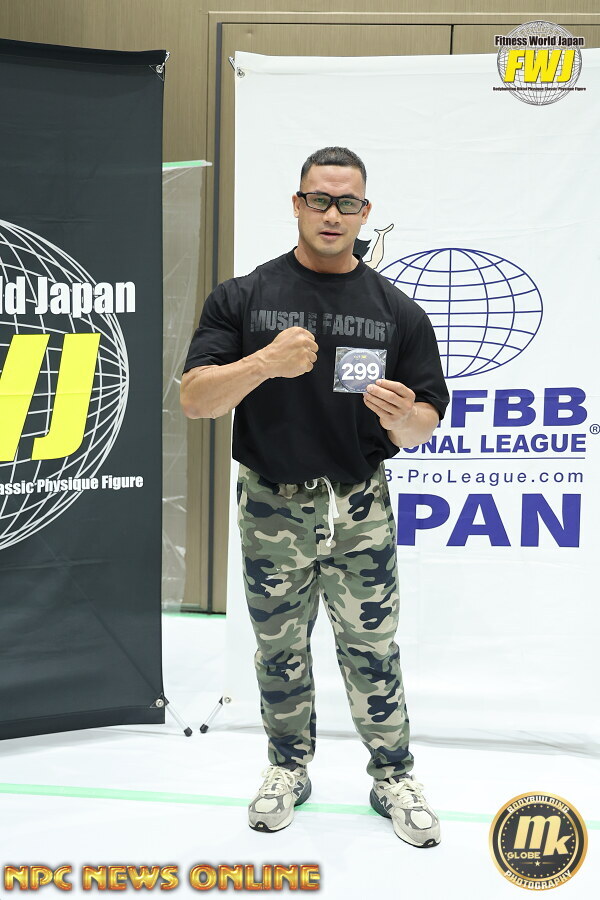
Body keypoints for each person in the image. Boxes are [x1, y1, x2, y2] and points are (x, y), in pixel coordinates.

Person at [180, 147, 449, 848]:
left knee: (373, 649)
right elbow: (195, 399)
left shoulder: (397, 310)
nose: (333, 214)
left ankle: (393, 777)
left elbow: (424, 423)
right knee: (279, 649)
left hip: (359, 503)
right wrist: (264, 362)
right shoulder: (244, 297)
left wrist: (402, 417)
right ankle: (287, 769)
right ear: (297, 204)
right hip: (272, 501)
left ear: (366, 211)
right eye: (320, 200)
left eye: (347, 203)